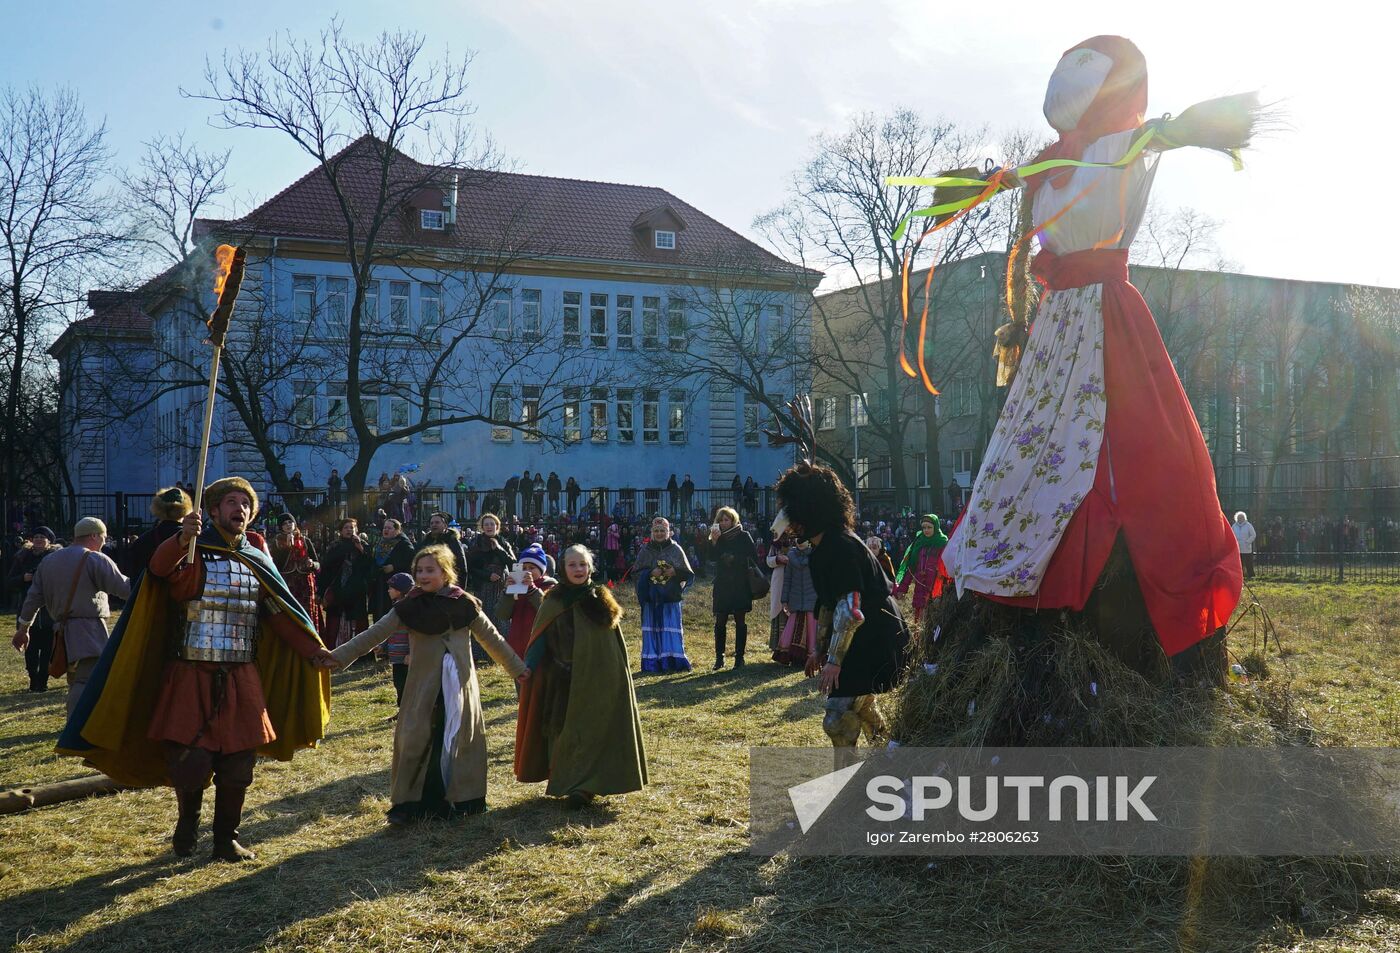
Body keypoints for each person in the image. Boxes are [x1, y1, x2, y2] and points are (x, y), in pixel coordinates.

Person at [933, 36, 1247, 661]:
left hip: (1099, 312)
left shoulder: (1108, 150)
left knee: (1122, 440)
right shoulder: (1048, 167)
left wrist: (1193, 127)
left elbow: (1161, 136)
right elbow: (1004, 186)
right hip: (1063, 323)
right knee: (1044, 443)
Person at [58, 477, 333, 861]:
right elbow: (158, 571)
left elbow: (278, 614)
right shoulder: (191, 552)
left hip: (241, 673)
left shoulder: (256, 555)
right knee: (191, 762)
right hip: (190, 671)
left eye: (246, 504)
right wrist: (181, 539)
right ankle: (187, 827)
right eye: (232, 502)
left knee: (239, 764)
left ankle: (226, 839)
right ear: (214, 509)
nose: (240, 509)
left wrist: (314, 650)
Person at [328, 545, 527, 823]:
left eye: (430, 570)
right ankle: (411, 805)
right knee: (417, 739)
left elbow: (492, 639)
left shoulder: (465, 604)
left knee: (459, 738)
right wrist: (336, 658)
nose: (422, 575)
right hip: (424, 687)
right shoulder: (408, 607)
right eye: (419, 570)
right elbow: (374, 634)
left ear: (445, 573)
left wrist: (517, 668)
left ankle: (464, 800)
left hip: (458, 687)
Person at [774, 462, 909, 759]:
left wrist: (834, 661)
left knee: (837, 717)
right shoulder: (823, 547)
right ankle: (892, 755)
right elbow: (828, 605)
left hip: (874, 634)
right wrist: (818, 650)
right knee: (859, 705)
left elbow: (850, 610)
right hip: (861, 633)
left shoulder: (839, 546)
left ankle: (851, 780)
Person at [515, 545, 647, 806]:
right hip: (561, 678)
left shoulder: (600, 600)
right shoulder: (553, 600)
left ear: (590, 568)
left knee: (592, 730)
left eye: (583, 565)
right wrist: (528, 666)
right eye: (572, 565)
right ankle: (566, 779)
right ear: (563, 568)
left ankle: (585, 787)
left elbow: (611, 647)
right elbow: (539, 639)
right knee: (562, 732)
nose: (578, 569)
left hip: (597, 680)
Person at [13, 518, 130, 714]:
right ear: (94, 535)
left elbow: (32, 599)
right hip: (88, 631)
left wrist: (23, 630)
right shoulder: (94, 559)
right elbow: (126, 589)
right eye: (103, 537)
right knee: (86, 681)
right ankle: (75, 732)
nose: (103, 542)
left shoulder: (48, 561)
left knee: (76, 680)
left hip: (60, 631)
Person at [631, 517, 694, 673]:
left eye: (662, 531)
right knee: (652, 630)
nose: (659, 534)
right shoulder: (645, 551)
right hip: (651, 599)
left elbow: (688, 574)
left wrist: (675, 572)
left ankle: (673, 661)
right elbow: (636, 574)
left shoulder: (676, 549)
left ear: (669, 532)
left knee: (670, 629)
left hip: (670, 598)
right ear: (652, 532)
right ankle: (652, 662)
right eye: (656, 531)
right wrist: (650, 573)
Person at [708, 506, 759, 669]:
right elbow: (709, 558)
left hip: (740, 583)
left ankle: (739, 658)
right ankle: (719, 657)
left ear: (733, 520)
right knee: (720, 620)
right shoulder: (717, 536)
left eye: (727, 519)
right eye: (721, 520)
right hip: (723, 583)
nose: (724, 523)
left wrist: (735, 559)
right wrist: (714, 542)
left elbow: (753, 557)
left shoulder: (744, 536)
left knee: (740, 620)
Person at [8, 526, 57, 692]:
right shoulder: (22, 558)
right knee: (30, 649)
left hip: (49, 610)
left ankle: (42, 681)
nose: (38, 539)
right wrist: (24, 578)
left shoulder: (54, 559)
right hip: (27, 608)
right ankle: (33, 679)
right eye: (36, 536)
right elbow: (9, 581)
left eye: (42, 537)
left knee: (47, 649)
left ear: (49, 541)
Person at [320, 517, 374, 648]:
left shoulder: (363, 545)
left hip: (356, 590)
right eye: (346, 528)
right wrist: (321, 591)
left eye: (352, 527)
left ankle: (359, 651)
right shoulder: (335, 546)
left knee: (358, 619)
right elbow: (327, 568)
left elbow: (370, 565)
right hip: (338, 588)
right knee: (336, 618)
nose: (349, 530)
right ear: (340, 531)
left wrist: (361, 548)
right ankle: (336, 648)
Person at [495, 544, 556, 659]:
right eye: (523, 568)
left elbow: (547, 611)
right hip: (517, 644)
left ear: (541, 570)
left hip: (540, 646)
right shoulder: (516, 587)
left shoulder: (549, 587)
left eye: (532, 568)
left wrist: (532, 589)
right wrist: (507, 593)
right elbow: (501, 614)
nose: (527, 571)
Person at [270, 513, 323, 634]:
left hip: (305, 584)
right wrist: (286, 548)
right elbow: (275, 566)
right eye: (284, 523)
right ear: (280, 527)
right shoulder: (276, 543)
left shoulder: (305, 540)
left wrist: (312, 564)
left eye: (290, 522)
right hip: (288, 583)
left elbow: (318, 565)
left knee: (306, 614)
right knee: (290, 614)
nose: (288, 525)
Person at [893, 515, 948, 624]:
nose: (926, 530)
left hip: (937, 588)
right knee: (919, 621)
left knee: (935, 620)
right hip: (920, 588)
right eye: (924, 527)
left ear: (936, 527)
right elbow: (910, 568)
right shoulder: (918, 543)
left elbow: (948, 568)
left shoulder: (943, 543)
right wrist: (902, 589)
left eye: (929, 527)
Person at [776, 537, 818, 668]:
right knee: (794, 628)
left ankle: (811, 658)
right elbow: (787, 580)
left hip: (812, 599)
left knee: (811, 628)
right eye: (798, 540)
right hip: (795, 599)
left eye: (804, 539)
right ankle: (794, 658)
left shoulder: (816, 556)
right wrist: (784, 600)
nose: (800, 542)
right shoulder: (791, 556)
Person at [130, 487, 192, 573]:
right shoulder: (192, 541)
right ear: (185, 510)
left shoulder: (143, 541)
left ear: (158, 509)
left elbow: (134, 574)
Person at [465, 513, 515, 619]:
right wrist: (487, 575)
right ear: (482, 527)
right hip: (483, 586)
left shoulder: (504, 543)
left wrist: (498, 549)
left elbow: (513, 563)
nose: (489, 527)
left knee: (501, 619)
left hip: (501, 585)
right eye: (486, 524)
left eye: (492, 524)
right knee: (484, 618)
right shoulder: (476, 543)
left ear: (497, 526)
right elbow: (470, 567)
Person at [371, 518, 416, 620]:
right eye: (384, 528)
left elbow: (411, 561)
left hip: (396, 585)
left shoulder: (404, 544)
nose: (386, 530)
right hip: (380, 583)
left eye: (389, 528)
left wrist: (394, 566)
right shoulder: (381, 542)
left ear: (397, 530)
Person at [383, 572, 414, 706]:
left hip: (405, 657)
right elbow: (389, 630)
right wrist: (383, 646)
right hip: (396, 657)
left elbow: (414, 634)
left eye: (391, 587)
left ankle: (407, 711)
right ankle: (402, 710)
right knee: (398, 683)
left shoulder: (408, 610)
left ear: (400, 590)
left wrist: (411, 653)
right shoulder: (395, 608)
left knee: (406, 685)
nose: (388, 590)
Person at [764, 531, 791, 654]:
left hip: (795, 579)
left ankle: (791, 647)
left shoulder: (800, 540)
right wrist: (777, 558)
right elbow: (768, 561)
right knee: (778, 609)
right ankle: (778, 647)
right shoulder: (776, 543)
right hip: (779, 579)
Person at [1233, 511, 1257, 580]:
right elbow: (1231, 535)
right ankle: (1240, 575)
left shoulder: (1248, 525)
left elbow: (1253, 535)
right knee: (1239, 563)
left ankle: (1251, 575)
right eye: (1239, 518)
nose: (1240, 519)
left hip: (1246, 548)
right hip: (1238, 547)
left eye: (1241, 517)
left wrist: (1248, 542)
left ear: (1244, 518)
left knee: (1248, 562)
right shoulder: (1234, 526)